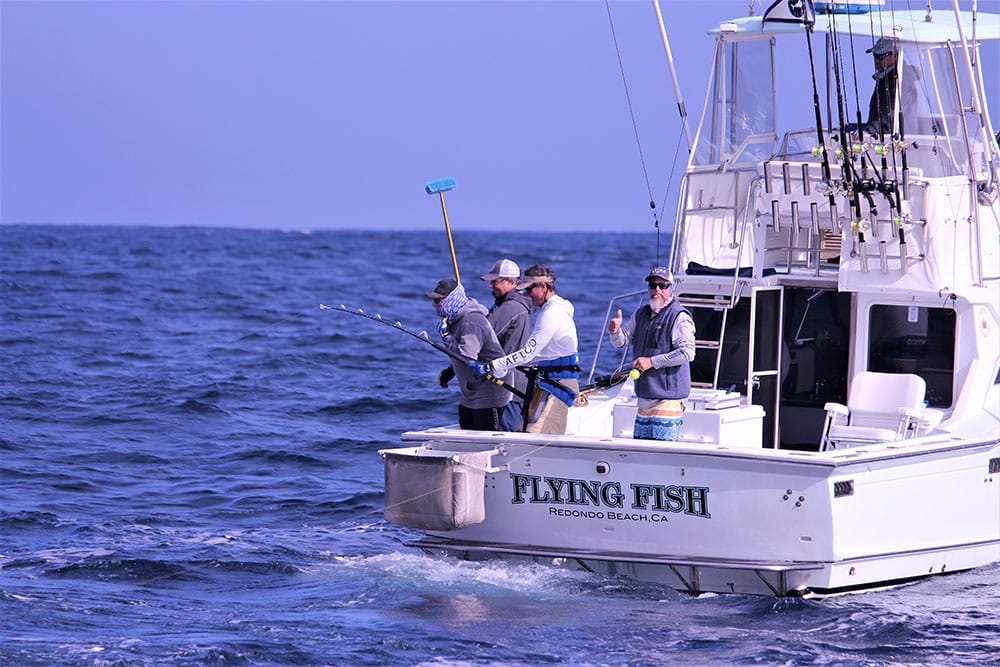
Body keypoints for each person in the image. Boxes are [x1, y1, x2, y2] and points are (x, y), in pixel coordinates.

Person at [471, 264, 579, 435]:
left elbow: (527, 353)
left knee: (536, 440)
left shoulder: (552, 313)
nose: (527, 295)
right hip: (546, 384)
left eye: (529, 289)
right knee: (522, 432)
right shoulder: (559, 307)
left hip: (557, 387)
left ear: (543, 287)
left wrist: (491, 366)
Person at [608, 267, 696, 441]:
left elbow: (687, 353)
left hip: (668, 398)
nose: (657, 290)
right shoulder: (640, 314)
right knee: (641, 453)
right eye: (653, 285)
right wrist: (615, 331)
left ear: (671, 288)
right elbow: (621, 342)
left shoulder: (679, 316)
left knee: (662, 454)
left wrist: (652, 361)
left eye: (663, 285)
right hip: (644, 397)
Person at [426, 278, 510, 431]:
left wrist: (446, 337)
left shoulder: (471, 321)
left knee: (484, 444)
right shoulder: (456, 320)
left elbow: (466, 356)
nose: (434, 305)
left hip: (489, 396)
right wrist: (449, 372)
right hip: (469, 396)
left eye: (438, 301)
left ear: (451, 299)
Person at [480, 258, 533, 430]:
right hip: (514, 385)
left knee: (502, 436)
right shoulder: (511, 306)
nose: (490, 286)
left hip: (508, 388)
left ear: (510, 281)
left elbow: (480, 339)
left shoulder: (510, 308)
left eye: (495, 281)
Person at [860, 37, 918, 137]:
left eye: (881, 56)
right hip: (886, 138)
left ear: (895, 56)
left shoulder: (901, 80)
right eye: (875, 56)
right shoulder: (885, 78)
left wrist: (870, 130)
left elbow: (889, 115)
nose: (877, 60)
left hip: (898, 142)